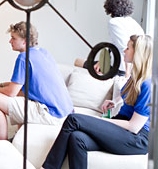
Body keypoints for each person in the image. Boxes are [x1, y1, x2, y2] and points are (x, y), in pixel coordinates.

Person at [42, 35, 152, 169]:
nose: (124, 50)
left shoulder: (147, 84)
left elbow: (134, 127)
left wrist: (102, 121)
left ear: (138, 53)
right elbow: (129, 94)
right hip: (125, 129)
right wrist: (114, 101)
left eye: (128, 48)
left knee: (73, 120)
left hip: (136, 139)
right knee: (77, 138)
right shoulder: (136, 76)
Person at [0, 22, 73, 140]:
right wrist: (0, 84)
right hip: (65, 112)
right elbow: (19, 86)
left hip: (51, 114)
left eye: (13, 38)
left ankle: (3, 142)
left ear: (25, 41)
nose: (10, 41)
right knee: (18, 98)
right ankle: (16, 138)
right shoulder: (43, 52)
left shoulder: (23, 58)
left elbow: (12, 92)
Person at [75, 0, 144, 76]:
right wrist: (102, 62)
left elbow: (124, 48)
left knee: (77, 61)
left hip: (118, 69)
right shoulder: (133, 22)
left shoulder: (114, 22)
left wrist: (127, 75)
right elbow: (114, 46)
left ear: (110, 5)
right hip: (130, 68)